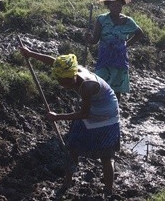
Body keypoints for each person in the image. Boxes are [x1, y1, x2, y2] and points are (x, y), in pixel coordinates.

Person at [17, 50, 120, 196]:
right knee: (72, 148)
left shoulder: (87, 86)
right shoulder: (67, 69)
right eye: (60, 81)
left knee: (106, 155)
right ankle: (67, 182)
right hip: (90, 109)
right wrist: (30, 53)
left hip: (106, 115)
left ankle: (108, 190)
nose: (62, 84)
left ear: (73, 76)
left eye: (65, 81)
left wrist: (57, 117)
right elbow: (52, 61)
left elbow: (84, 114)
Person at [85, 0, 144, 101]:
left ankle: (115, 112)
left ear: (122, 5)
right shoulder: (101, 19)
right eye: (113, 5)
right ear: (108, 6)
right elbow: (95, 40)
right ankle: (100, 110)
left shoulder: (128, 21)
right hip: (105, 58)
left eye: (118, 4)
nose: (116, 7)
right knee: (100, 84)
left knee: (116, 88)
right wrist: (89, 39)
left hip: (119, 59)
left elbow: (139, 33)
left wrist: (126, 45)